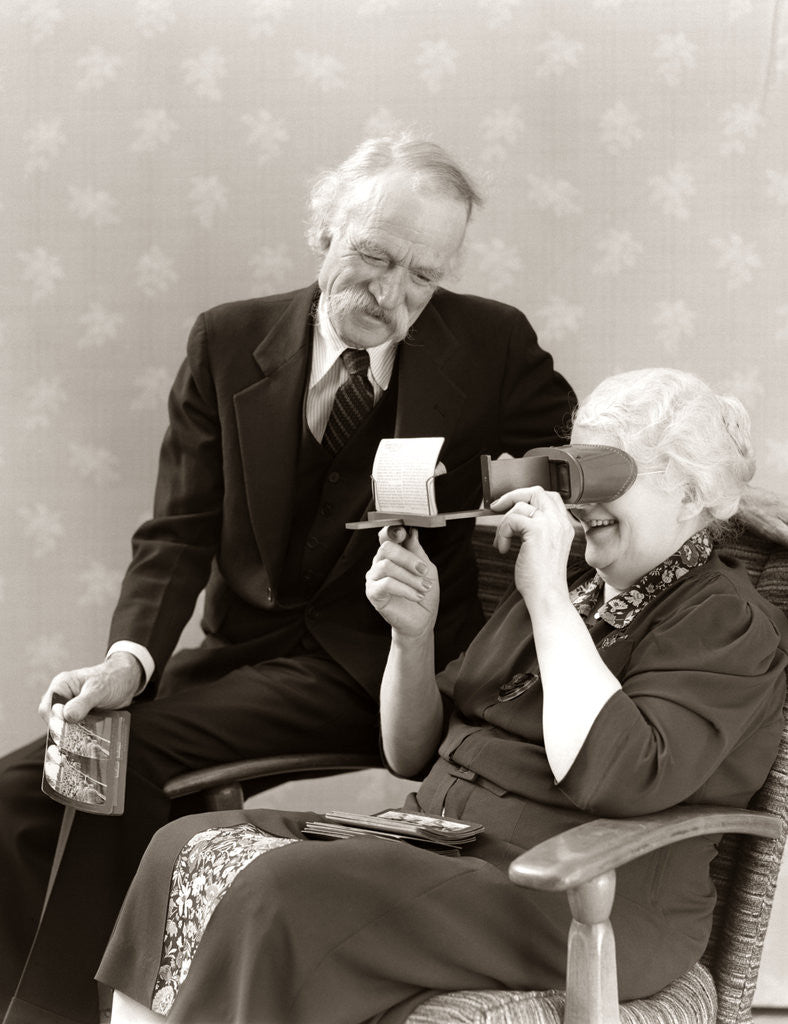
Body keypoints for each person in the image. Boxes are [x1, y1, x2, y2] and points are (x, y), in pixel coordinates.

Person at [0, 133, 575, 1024]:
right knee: (33, 780)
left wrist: (508, 497)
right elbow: (179, 529)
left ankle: (67, 1013)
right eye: (374, 257)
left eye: (423, 277)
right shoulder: (228, 339)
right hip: (245, 655)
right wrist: (129, 661)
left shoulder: (489, 342)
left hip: (384, 669)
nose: (391, 296)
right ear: (324, 231)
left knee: (126, 763)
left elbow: (560, 451)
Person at [97, 367, 787, 1024]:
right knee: (184, 846)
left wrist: (543, 590)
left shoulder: (725, 621)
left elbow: (616, 776)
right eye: (574, 469)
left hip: (575, 889)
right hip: (442, 845)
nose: (580, 501)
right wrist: (412, 636)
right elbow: (412, 751)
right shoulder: (574, 588)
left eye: (609, 474)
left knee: (277, 893)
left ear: (693, 495)